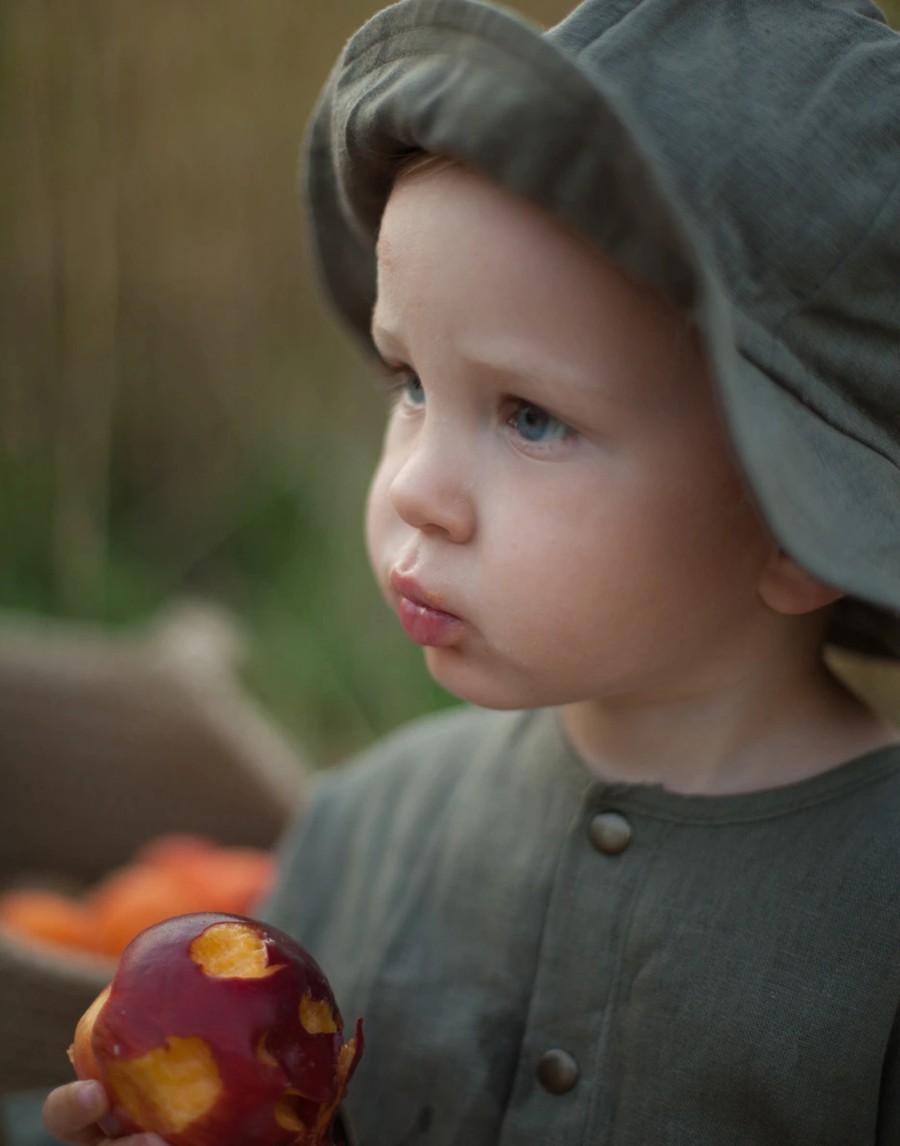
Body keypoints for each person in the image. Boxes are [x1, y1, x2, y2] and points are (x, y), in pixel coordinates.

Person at [42, 0, 900, 1143]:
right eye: (410, 383)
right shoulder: (359, 837)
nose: (412, 487)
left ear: (799, 525)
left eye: (532, 416)